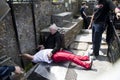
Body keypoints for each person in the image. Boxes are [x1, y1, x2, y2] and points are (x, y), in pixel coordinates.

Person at [20, 49, 93, 70]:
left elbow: (42, 48)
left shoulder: (37, 54)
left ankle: (85, 58)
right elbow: (27, 56)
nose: (30, 56)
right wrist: (21, 55)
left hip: (55, 52)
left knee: (71, 55)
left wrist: (40, 47)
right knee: (71, 57)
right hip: (54, 56)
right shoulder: (34, 59)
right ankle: (87, 66)